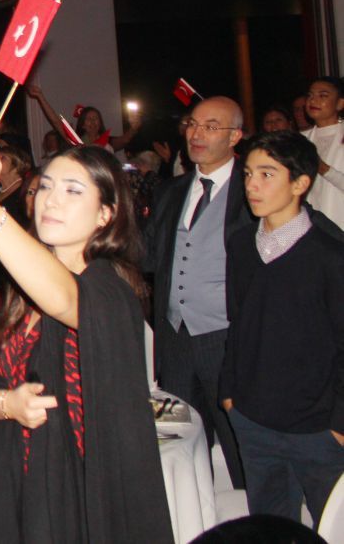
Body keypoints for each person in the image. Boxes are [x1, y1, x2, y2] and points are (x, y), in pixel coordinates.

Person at [0, 140, 174, 544]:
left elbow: (65, 300)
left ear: (105, 214)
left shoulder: (109, 289)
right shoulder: (20, 293)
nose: (51, 200)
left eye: (73, 191)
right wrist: (6, 404)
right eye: (45, 186)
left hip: (79, 496)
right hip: (17, 484)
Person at [222, 131, 344, 526]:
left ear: (300, 183)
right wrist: (229, 392)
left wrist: (339, 424)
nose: (252, 185)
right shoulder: (241, 243)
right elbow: (238, 321)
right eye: (248, 173)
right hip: (253, 418)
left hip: (317, 427)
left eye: (267, 174)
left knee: (333, 526)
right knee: (270, 527)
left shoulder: (330, 254)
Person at [143, 95, 250, 487]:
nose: (196, 134)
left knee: (239, 440)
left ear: (235, 136)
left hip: (227, 336)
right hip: (175, 337)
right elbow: (149, 256)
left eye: (210, 126)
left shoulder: (252, 187)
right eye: (192, 124)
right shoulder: (171, 190)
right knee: (181, 441)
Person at [301, 77, 344, 229]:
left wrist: (325, 170)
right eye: (310, 95)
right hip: (310, 225)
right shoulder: (301, 139)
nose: (313, 100)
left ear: (340, 103)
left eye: (323, 95)